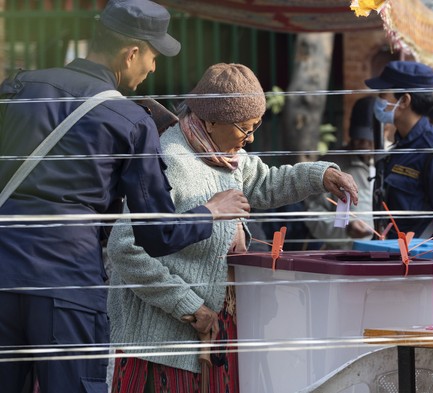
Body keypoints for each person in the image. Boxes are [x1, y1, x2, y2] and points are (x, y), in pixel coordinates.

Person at [0, 1, 248, 392]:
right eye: (152, 56)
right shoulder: (130, 120)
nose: (153, 68)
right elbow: (156, 234)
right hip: (66, 283)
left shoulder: (18, 88)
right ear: (131, 52)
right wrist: (210, 212)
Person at [106, 63, 359, 393]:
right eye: (244, 128)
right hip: (166, 342)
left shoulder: (225, 155)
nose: (250, 138)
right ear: (211, 120)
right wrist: (187, 306)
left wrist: (320, 176)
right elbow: (125, 248)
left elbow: (265, 181)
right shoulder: (171, 160)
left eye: (256, 126)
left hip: (210, 328)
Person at [365, 61, 433, 238]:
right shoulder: (399, 147)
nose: (379, 99)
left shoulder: (431, 150)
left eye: (383, 94)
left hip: (419, 258)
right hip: (391, 255)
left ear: (404, 100)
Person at [304, 96, 377, 249]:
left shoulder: (393, 161)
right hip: (342, 255)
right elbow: (312, 214)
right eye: (358, 139)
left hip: (388, 253)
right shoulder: (332, 165)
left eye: (369, 140)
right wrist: (347, 230)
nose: (363, 145)